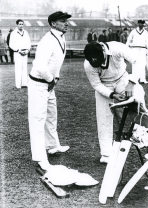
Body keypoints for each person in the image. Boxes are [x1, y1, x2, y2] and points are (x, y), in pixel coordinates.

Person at [28, 11, 71, 171]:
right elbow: (40, 66)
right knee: (38, 120)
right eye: (62, 21)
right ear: (53, 23)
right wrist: (50, 79)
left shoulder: (61, 37)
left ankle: (53, 145)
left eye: (66, 21)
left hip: (49, 84)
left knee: (51, 115)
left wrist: (56, 78)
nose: (66, 23)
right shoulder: (47, 41)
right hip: (39, 83)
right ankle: (40, 158)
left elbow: (57, 62)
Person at [83, 41, 137, 163]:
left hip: (122, 79)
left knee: (136, 99)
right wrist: (112, 94)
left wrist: (131, 83)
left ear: (103, 50)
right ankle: (106, 153)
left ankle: (138, 132)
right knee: (103, 117)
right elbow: (96, 84)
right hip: (104, 85)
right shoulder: (88, 64)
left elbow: (137, 60)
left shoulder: (117, 48)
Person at [126, 20, 148, 84]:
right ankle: (135, 79)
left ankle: (143, 79)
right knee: (135, 63)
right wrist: (126, 48)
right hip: (135, 49)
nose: (141, 25)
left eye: (142, 24)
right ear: (138, 24)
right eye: (139, 23)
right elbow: (128, 40)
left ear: (143, 25)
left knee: (142, 64)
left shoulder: (145, 32)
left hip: (142, 49)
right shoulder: (133, 31)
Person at [9, 19, 31, 88]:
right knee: (18, 68)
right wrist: (18, 50)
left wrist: (27, 50)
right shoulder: (13, 33)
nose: (21, 25)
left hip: (25, 53)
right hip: (18, 53)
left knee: (25, 68)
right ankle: (18, 85)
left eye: (22, 24)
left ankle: (24, 84)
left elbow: (29, 43)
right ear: (17, 25)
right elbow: (11, 44)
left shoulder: (26, 32)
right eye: (19, 24)